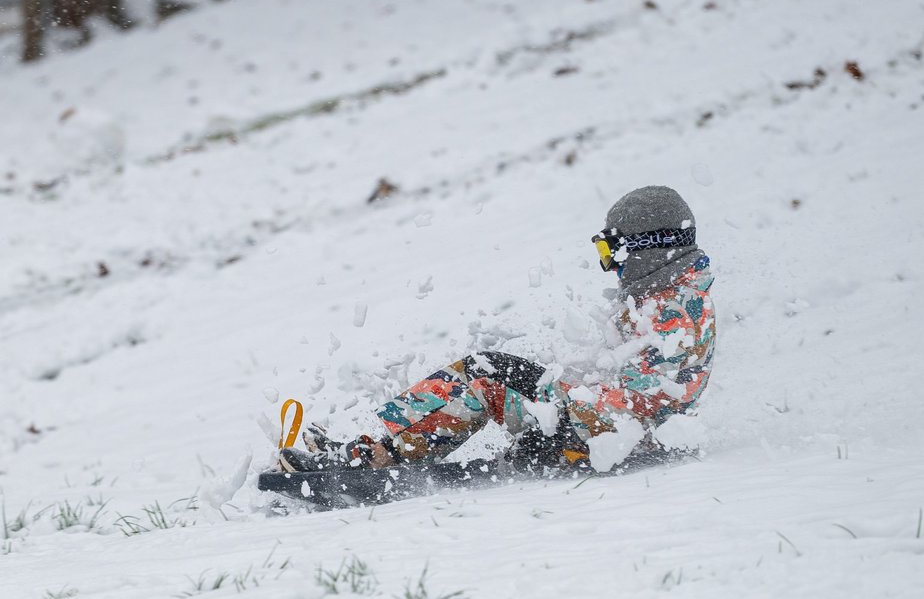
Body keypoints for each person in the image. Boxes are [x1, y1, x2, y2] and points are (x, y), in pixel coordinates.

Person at [278, 185, 716, 474]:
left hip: (612, 438)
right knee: (488, 368)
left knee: (486, 381)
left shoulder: (672, 311)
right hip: (602, 423)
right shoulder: (669, 297)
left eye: (612, 250)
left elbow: (644, 403)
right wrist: (568, 390)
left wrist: (563, 411)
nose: (611, 265)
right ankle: (375, 444)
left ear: (646, 247)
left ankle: (375, 460)